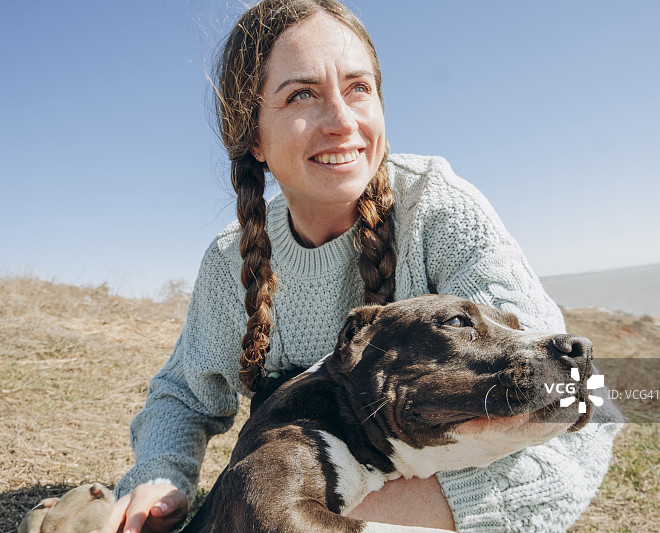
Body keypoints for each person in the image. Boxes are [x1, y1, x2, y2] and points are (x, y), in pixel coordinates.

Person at [103, 1, 622, 532]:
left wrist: (317, 516)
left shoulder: (437, 210)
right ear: (253, 134)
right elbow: (184, 396)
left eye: (358, 88)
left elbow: (574, 404)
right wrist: (161, 476)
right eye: (302, 94)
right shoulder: (229, 262)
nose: (342, 121)